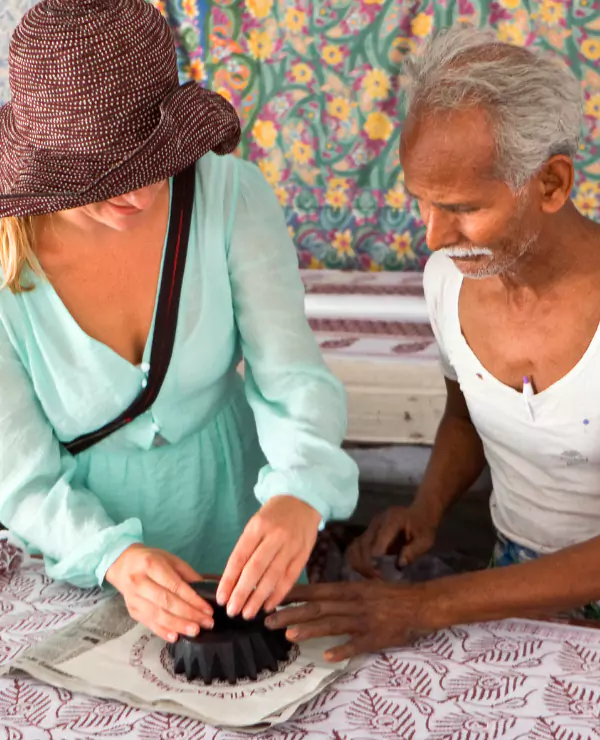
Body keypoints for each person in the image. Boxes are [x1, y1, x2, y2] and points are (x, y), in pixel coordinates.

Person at [0, 0, 358, 644]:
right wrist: (115, 559)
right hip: (83, 552)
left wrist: (300, 492)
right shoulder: (6, 268)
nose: (137, 194)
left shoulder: (231, 195)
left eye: (152, 162)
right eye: (98, 177)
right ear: (46, 166)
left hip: (244, 513)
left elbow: (293, 376)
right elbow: (20, 478)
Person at [267, 26, 600, 662]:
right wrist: (425, 509)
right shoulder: (448, 280)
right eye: (422, 203)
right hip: (505, 581)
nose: (433, 237)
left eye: (462, 207)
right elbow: (465, 414)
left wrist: (426, 606)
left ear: (552, 184)